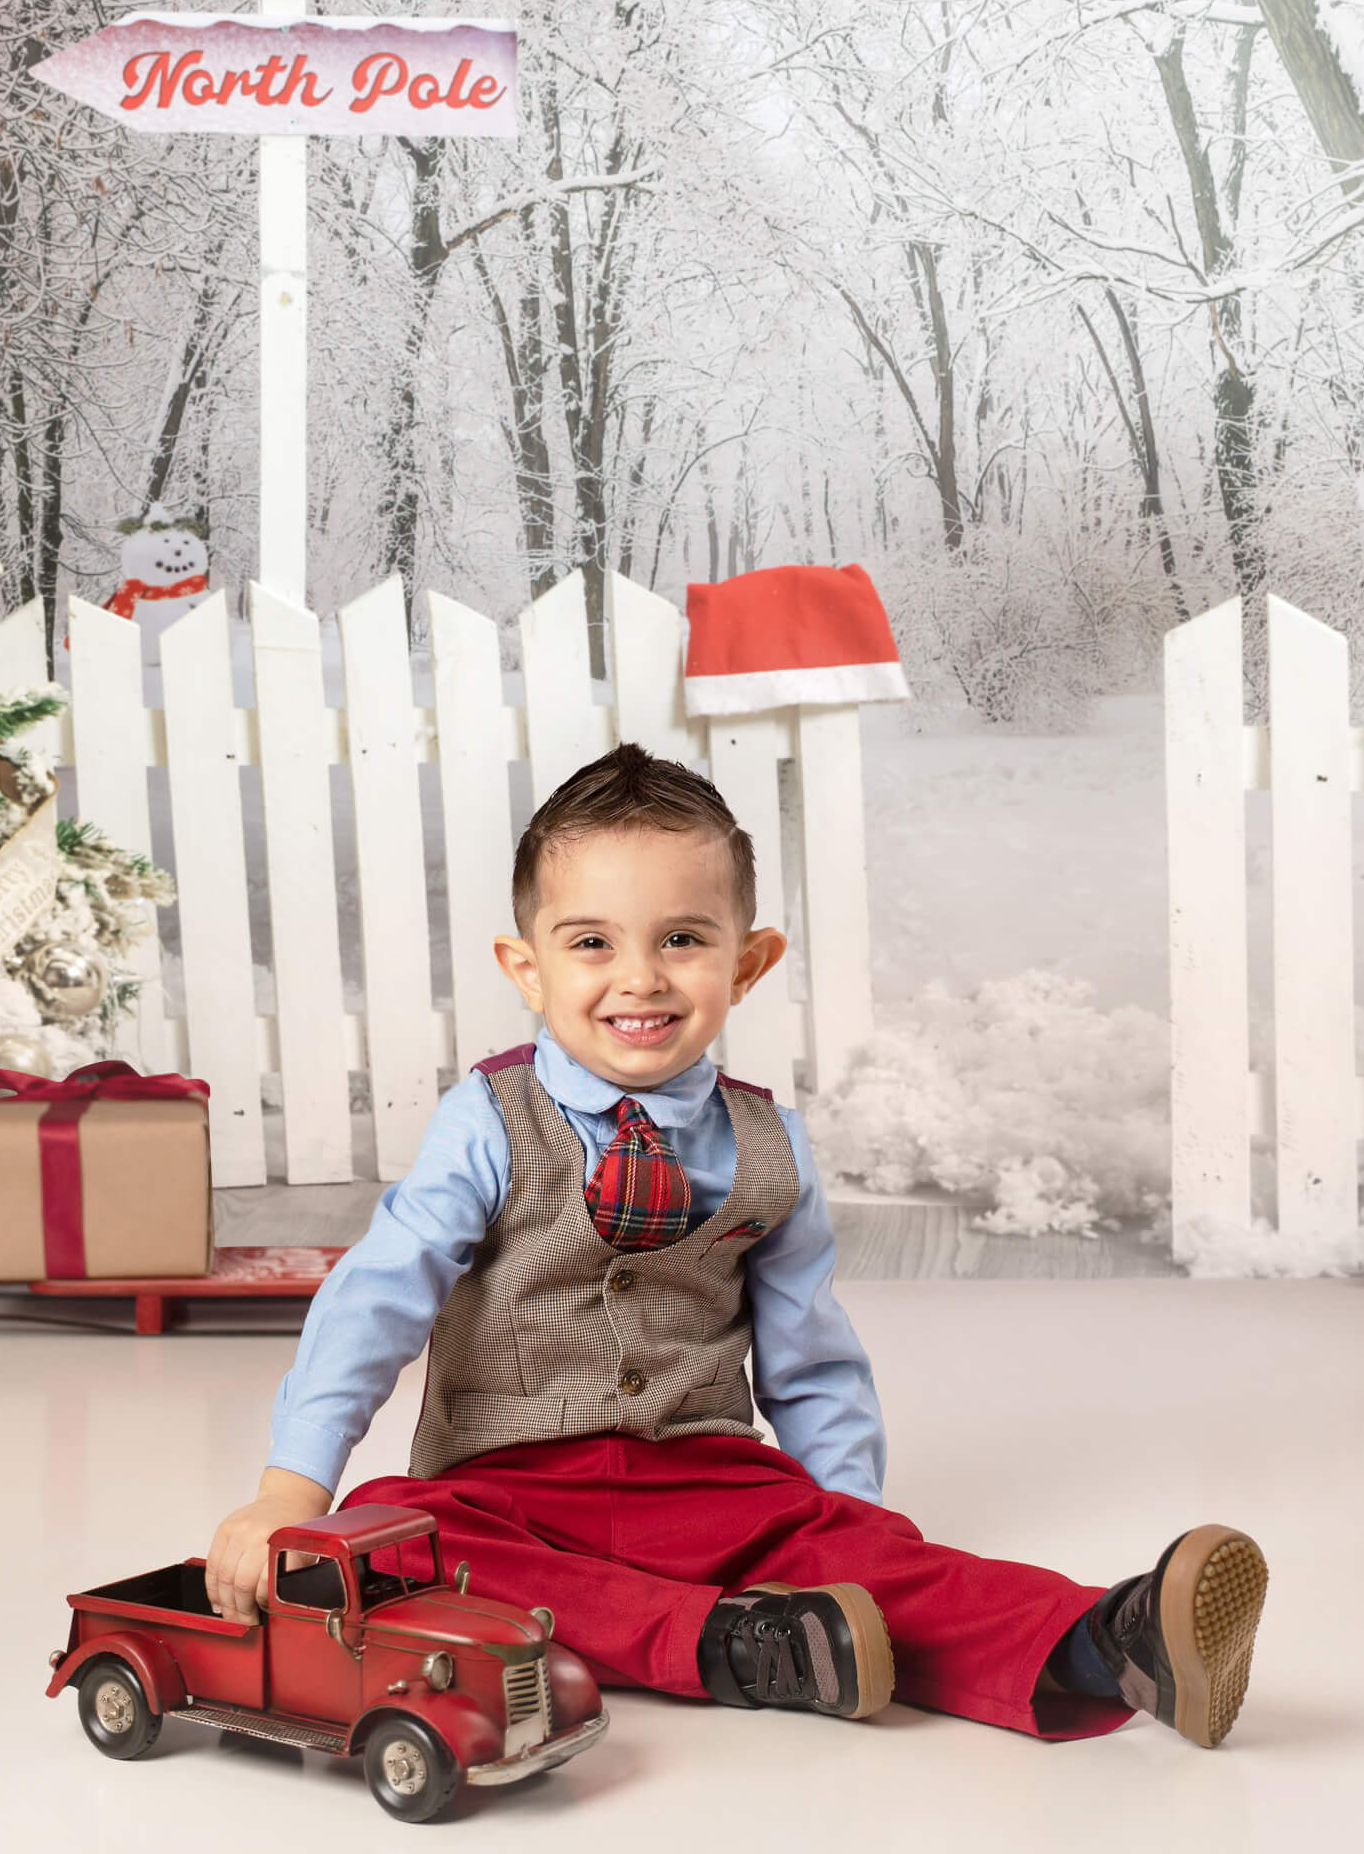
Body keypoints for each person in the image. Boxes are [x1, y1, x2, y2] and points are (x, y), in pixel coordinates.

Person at [203, 745, 1268, 1747]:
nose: (641, 978)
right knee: (390, 1545)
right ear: (524, 968)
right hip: (505, 1487)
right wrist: (291, 1489)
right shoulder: (488, 1121)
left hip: (705, 1478)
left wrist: (849, 1513)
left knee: (870, 1560)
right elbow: (378, 1298)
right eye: (591, 943)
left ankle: (1103, 1645)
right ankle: (733, 1644)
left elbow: (807, 1350)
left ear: (747, 961)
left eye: (681, 938)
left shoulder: (768, 1143)